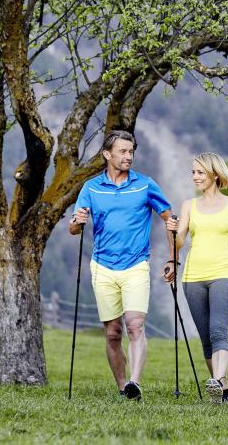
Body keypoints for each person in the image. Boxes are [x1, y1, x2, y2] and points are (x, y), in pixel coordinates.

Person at [70, 130, 172, 401]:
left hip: (136, 264)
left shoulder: (145, 185)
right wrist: (77, 221)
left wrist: (173, 256)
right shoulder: (91, 188)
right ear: (107, 155)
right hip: (102, 266)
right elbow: (73, 228)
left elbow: (169, 217)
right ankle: (122, 386)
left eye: (131, 152)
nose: (128, 157)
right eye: (123, 152)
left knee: (135, 325)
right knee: (113, 332)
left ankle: (135, 383)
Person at [163, 152, 228, 404]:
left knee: (218, 330)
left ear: (215, 174)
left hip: (222, 273)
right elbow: (178, 244)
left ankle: (217, 381)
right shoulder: (189, 205)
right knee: (206, 339)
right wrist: (171, 231)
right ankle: (222, 390)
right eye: (193, 172)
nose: (195, 177)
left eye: (200, 172)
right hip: (192, 277)